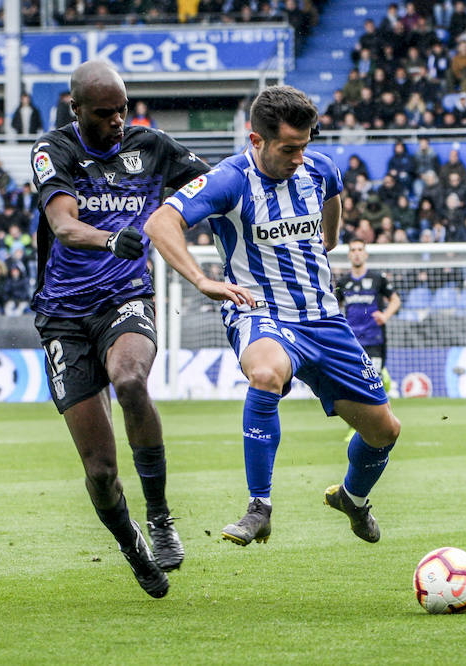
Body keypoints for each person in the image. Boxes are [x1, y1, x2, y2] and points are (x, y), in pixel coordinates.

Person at [145, 84, 401, 549]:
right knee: (265, 372)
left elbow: (333, 194)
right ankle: (259, 507)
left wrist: (329, 236)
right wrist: (202, 280)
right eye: (289, 149)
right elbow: (161, 222)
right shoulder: (229, 179)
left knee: (384, 431)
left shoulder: (319, 168)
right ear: (256, 139)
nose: (300, 157)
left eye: (305, 146)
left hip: (324, 320)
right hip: (260, 313)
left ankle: (353, 499)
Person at [29, 60, 210, 598]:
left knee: (130, 379)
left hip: (124, 298)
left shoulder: (150, 147)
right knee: (101, 471)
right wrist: (111, 239)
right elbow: (62, 224)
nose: (116, 121)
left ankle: (159, 517)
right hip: (63, 316)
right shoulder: (53, 150)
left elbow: (214, 182)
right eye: (104, 113)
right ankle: (133, 548)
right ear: (75, 109)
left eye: (122, 110)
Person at [335, 239, 401, 441]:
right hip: (351, 341)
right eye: (353, 250)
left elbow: (396, 300)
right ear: (349, 255)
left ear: (365, 254)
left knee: (373, 381)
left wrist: (385, 315)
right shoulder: (343, 283)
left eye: (359, 250)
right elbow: (334, 306)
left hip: (374, 339)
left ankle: (376, 421)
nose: (356, 253)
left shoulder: (377, 279)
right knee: (351, 383)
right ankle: (353, 426)